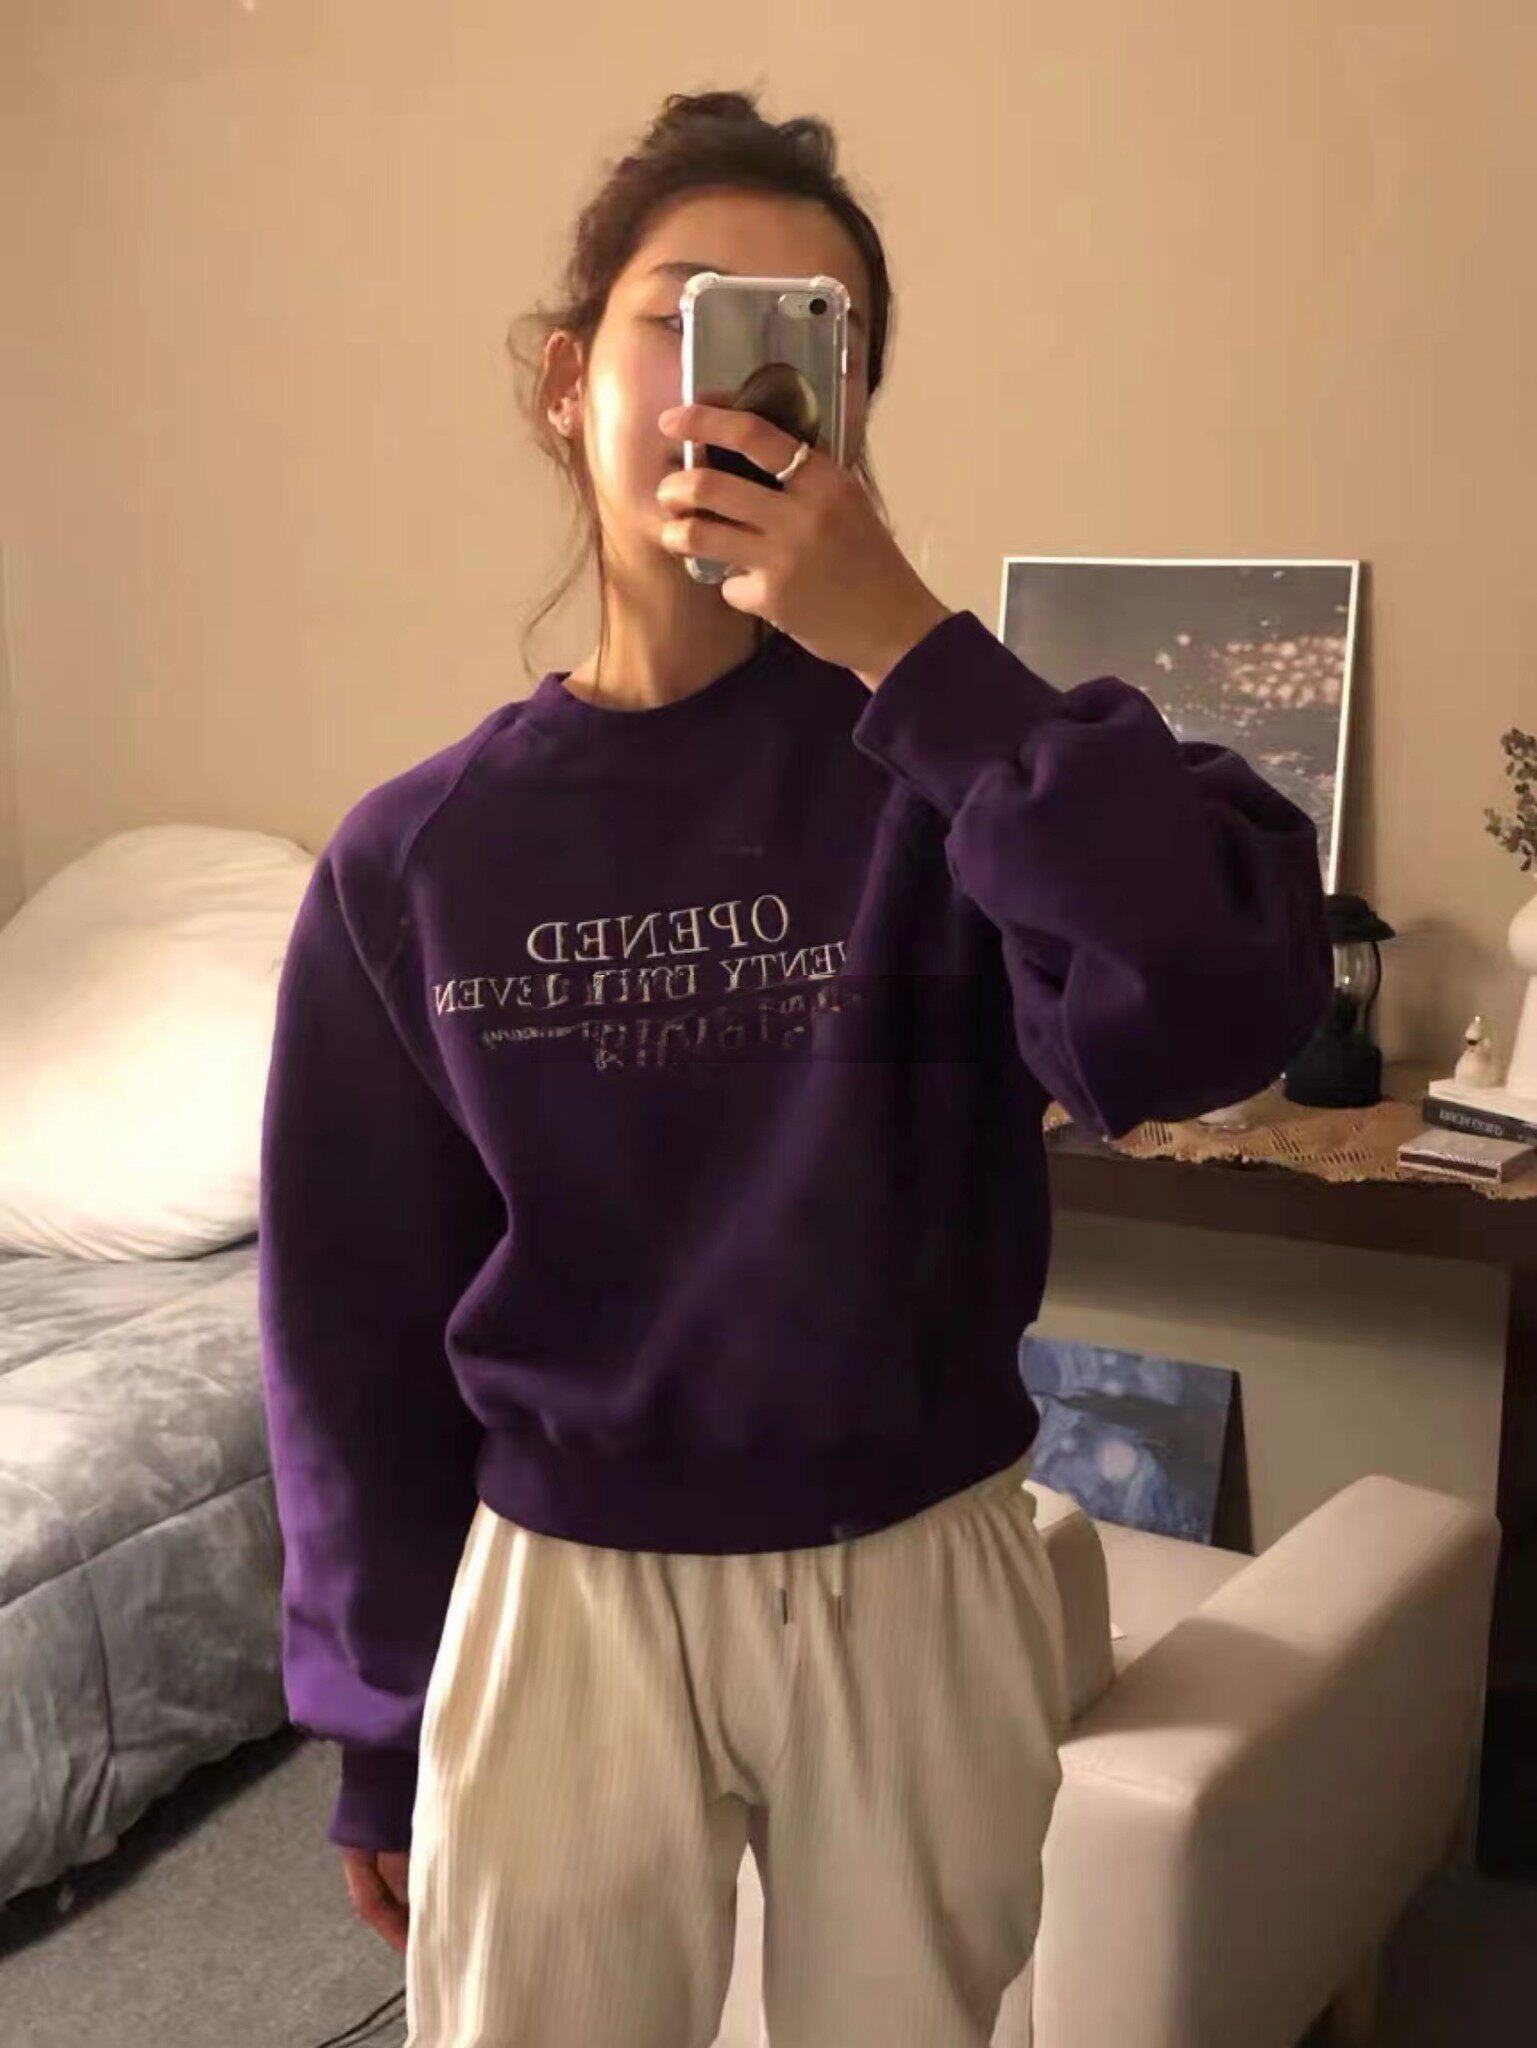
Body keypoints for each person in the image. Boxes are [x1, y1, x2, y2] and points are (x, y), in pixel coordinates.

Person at [256, 88, 1334, 2048]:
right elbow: (349, 1329)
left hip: (916, 1569)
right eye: (677, 315)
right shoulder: (417, 859)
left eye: (795, 336)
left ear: (847, 414)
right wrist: (374, 1717)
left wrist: (908, 644)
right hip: (564, 1589)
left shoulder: (952, 776)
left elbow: (1213, 1001)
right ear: (564, 383)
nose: (722, 384)